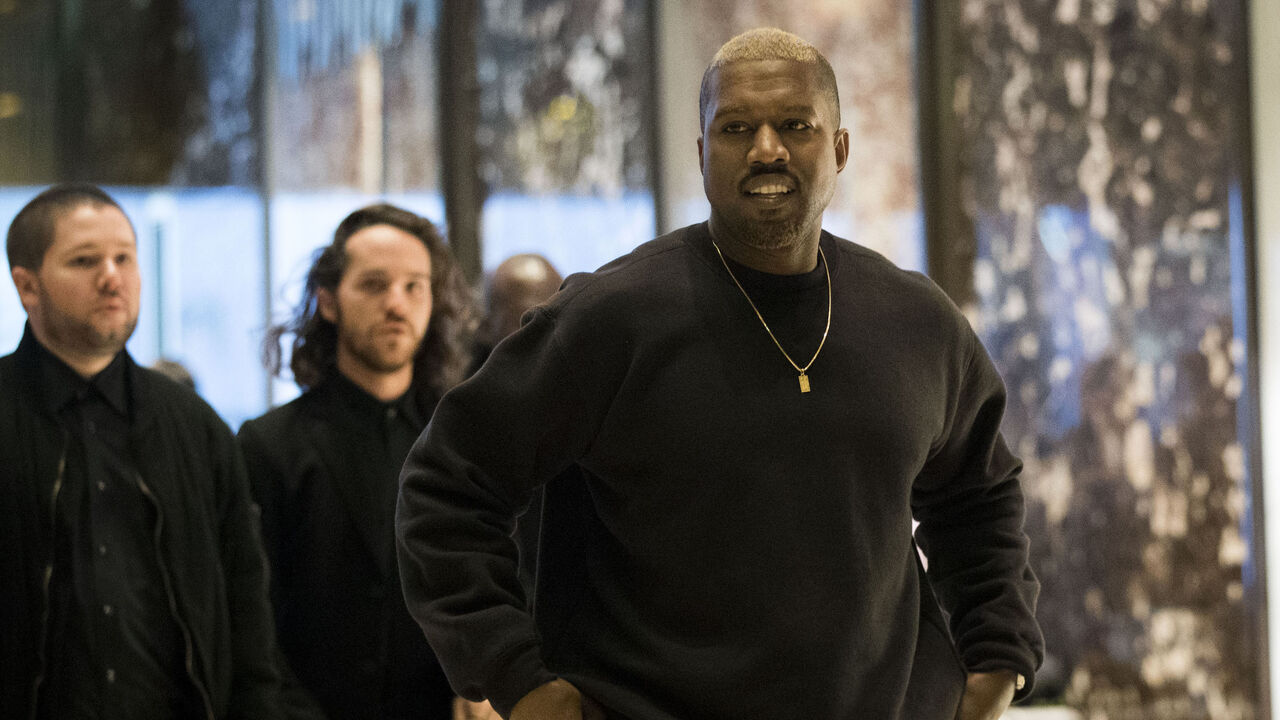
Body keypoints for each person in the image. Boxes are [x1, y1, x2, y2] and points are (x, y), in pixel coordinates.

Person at [396, 27, 1044, 720]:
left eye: (795, 124)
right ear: (703, 155)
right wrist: (517, 677)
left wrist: (998, 656)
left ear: (840, 149)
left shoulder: (918, 323)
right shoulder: (612, 320)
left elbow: (979, 495)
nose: (767, 148)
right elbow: (447, 488)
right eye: (737, 128)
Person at [0, 183, 281, 719]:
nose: (112, 276)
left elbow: (244, 595)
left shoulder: (194, 424)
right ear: (27, 286)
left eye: (124, 257)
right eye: (85, 260)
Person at [237, 203, 474, 719]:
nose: (397, 304)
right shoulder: (269, 444)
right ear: (327, 301)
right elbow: (249, 618)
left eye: (415, 286)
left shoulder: (464, 441)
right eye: (374, 284)